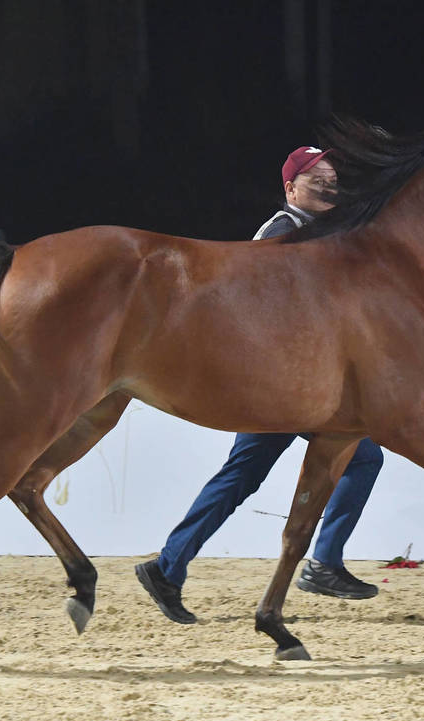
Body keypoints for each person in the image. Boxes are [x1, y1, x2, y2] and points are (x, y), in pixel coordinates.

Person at [136, 146, 385, 624]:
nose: (331, 184)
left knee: (243, 476)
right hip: (276, 386)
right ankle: (324, 562)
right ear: (291, 189)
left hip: (292, 385)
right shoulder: (279, 233)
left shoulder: (325, 233)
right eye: (318, 178)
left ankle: (168, 568)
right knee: (362, 455)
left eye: (333, 176)